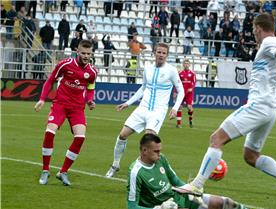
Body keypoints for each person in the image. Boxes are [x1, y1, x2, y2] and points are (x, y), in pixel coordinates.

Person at [180, 13, 276, 204]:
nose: (253, 33)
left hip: (258, 106)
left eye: (254, 29)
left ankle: (197, 184)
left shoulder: (269, 42)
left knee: (216, 139)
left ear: (258, 28)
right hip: (270, 109)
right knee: (251, 156)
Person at [127, 133, 276, 209]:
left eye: (160, 151)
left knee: (226, 202)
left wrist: (190, 189)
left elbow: (174, 179)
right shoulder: (135, 172)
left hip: (180, 197)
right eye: (156, 151)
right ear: (144, 150)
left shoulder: (161, 160)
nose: (160, 154)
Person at [105, 43, 184, 178]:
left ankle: (148, 173)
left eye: (164, 53)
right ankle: (115, 164)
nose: (161, 55)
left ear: (167, 55)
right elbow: (143, 88)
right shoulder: (148, 68)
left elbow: (181, 90)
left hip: (158, 111)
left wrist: (175, 108)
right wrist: (128, 103)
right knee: (122, 135)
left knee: (149, 142)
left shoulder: (171, 70)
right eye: (159, 52)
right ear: (154, 53)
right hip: (142, 108)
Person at [34, 40, 97, 186]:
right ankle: (45, 170)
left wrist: (90, 101)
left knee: (80, 137)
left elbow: (90, 88)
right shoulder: (65, 64)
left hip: (77, 108)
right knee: (50, 132)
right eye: (84, 53)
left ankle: (63, 172)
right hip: (60, 105)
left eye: (89, 53)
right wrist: (42, 99)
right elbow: (50, 80)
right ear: (77, 51)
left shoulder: (92, 71)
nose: (86, 56)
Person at [174, 59, 196, 128]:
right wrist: (175, 91)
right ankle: (179, 124)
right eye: (185, 63)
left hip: (189, 93)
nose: (186, 65)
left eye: (187, 63)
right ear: (183, 64)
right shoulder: (180, 73)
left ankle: (190, 120)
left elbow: (194, 82)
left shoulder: (192, 73)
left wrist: (191, 88)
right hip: (181, 93)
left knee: (189, 108)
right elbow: (176, 83)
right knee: (179, 107)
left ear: (189, 65)